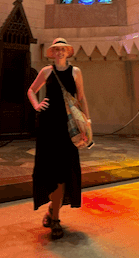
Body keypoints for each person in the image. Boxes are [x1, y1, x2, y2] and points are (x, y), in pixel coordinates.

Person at [27, 37, 91, 240]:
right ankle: (54, 217)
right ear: (52, 53)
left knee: (65, 172)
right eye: (57, 50)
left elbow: (81, 97)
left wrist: (87, 122)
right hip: (49, 127)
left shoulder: (76, 72)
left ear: (68, 52)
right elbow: (31, 90)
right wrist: (37, 105)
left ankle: (53, 215)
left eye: (63, 49)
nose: (60, 52)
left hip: (68, 128)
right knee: (51, 171)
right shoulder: (46, 71)